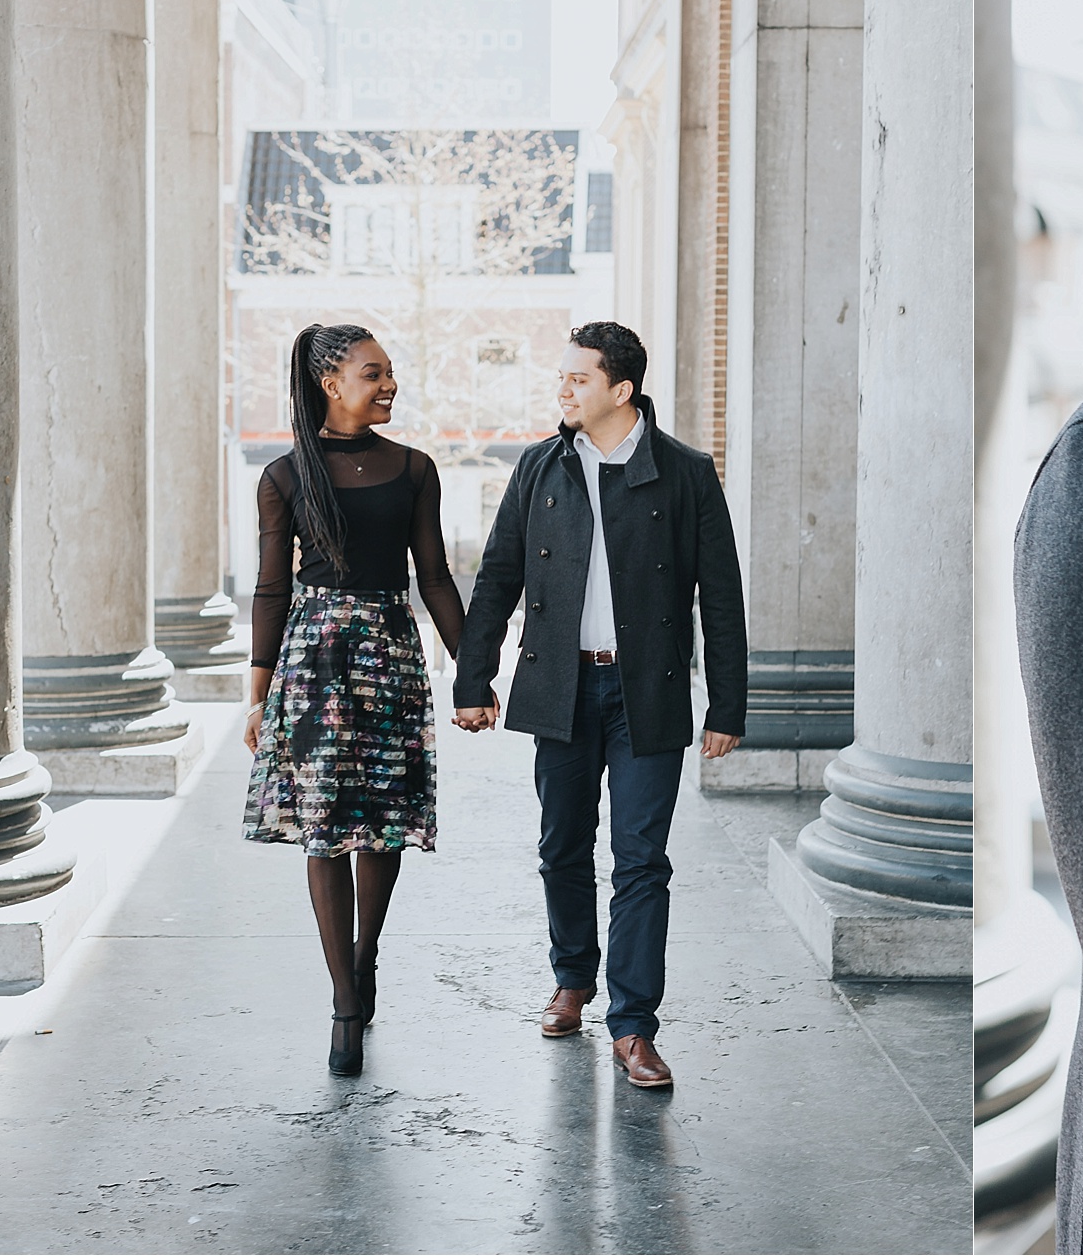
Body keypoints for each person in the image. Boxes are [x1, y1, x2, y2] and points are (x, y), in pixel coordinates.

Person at [451, 320, 747, 1089]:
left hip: (645, 690)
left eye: (578, 378)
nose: (564, 390)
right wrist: (472, 679)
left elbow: (721, 596)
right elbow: (497, 577)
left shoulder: (684, 472)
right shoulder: (539, 468)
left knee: (643, 860)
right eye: (563, 377)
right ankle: (573, 978)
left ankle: (633, 1025)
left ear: (622, 389)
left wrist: (727, 705)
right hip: (561, 685)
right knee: (562, 848)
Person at [244, 323, 464, 1078]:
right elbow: (272, 589)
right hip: (313, 664)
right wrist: (255, 696)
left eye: (391, 373)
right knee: (323, 831)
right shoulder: (283, 475)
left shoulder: (414, 469)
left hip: (391, 659)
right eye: (375, 374)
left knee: (383, 828)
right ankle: (345, 1001)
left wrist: (472, 671)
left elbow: (434, 578)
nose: (390, 385)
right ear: (332, 383)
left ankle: (365, 956)